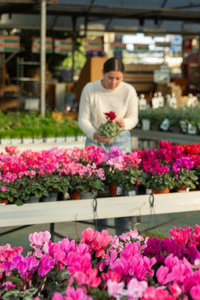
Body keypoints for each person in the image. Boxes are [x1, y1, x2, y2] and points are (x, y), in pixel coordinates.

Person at [78, 57, 139, 235]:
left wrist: (123, 122)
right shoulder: (90, 89)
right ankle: (100, 235)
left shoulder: (128, 90)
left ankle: (123, 235)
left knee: (120, 188)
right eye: (110, 77)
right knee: (98, 188)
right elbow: (82, 119)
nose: (114, 82)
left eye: (118, 78)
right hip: (95, 141)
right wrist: (93, 133)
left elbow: (133, 118)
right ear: (103, 74)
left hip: (120, 140)